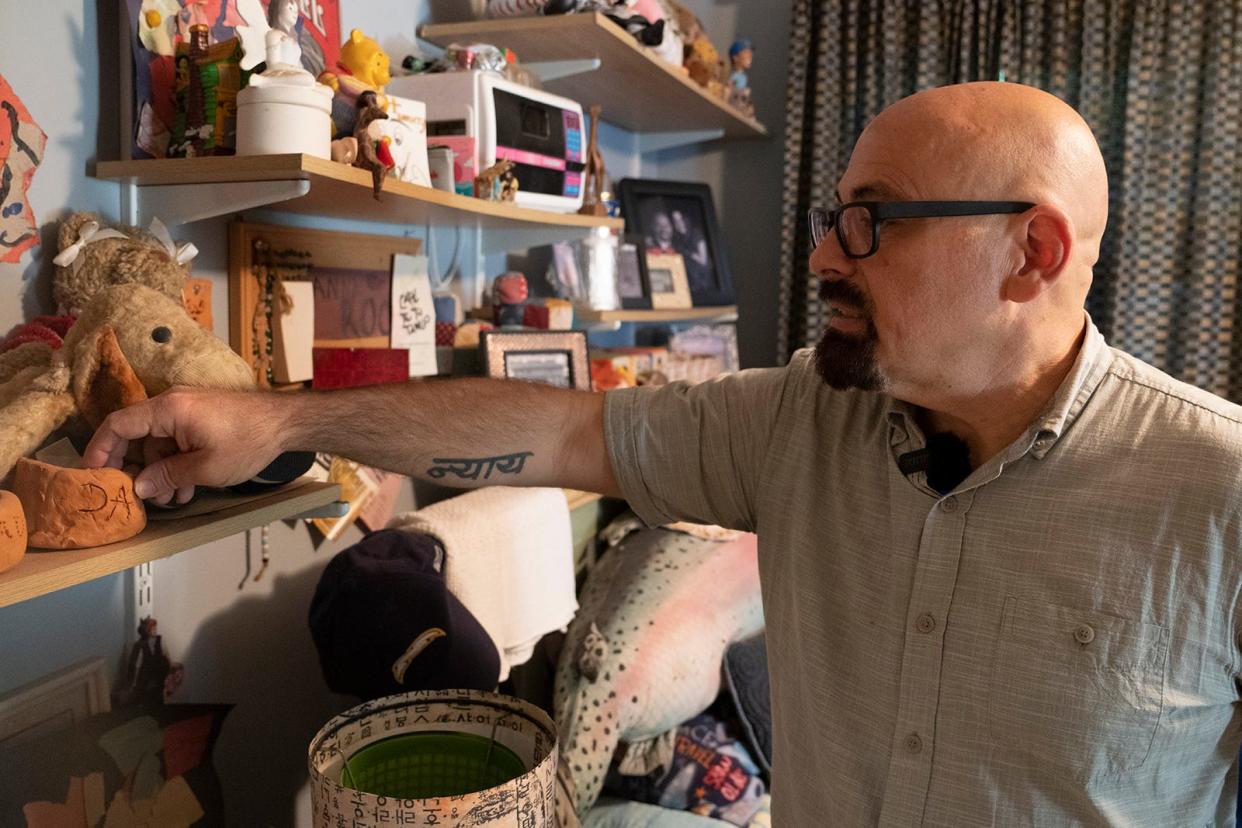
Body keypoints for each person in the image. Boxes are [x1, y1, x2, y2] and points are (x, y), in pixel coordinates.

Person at [84, 82, 1242, 824]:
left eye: (869, 221)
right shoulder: (799, 421)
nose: (826, 258)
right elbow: (557, 425)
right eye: (832, 216)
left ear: (1031, 253)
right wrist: (284, 421)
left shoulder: (1218, 493)